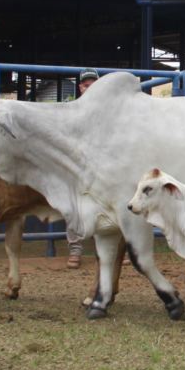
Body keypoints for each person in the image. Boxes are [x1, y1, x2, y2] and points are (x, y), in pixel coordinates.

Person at [64, 70, 99, 269]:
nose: (88, 88)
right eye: (85, 85)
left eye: (93, 84)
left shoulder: (107, 112)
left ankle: (105, 251)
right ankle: (75, 250)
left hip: (100, 168)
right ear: (80, 87)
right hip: (77, 166)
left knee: (104, 208)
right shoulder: (71, 111)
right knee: (73, 208)